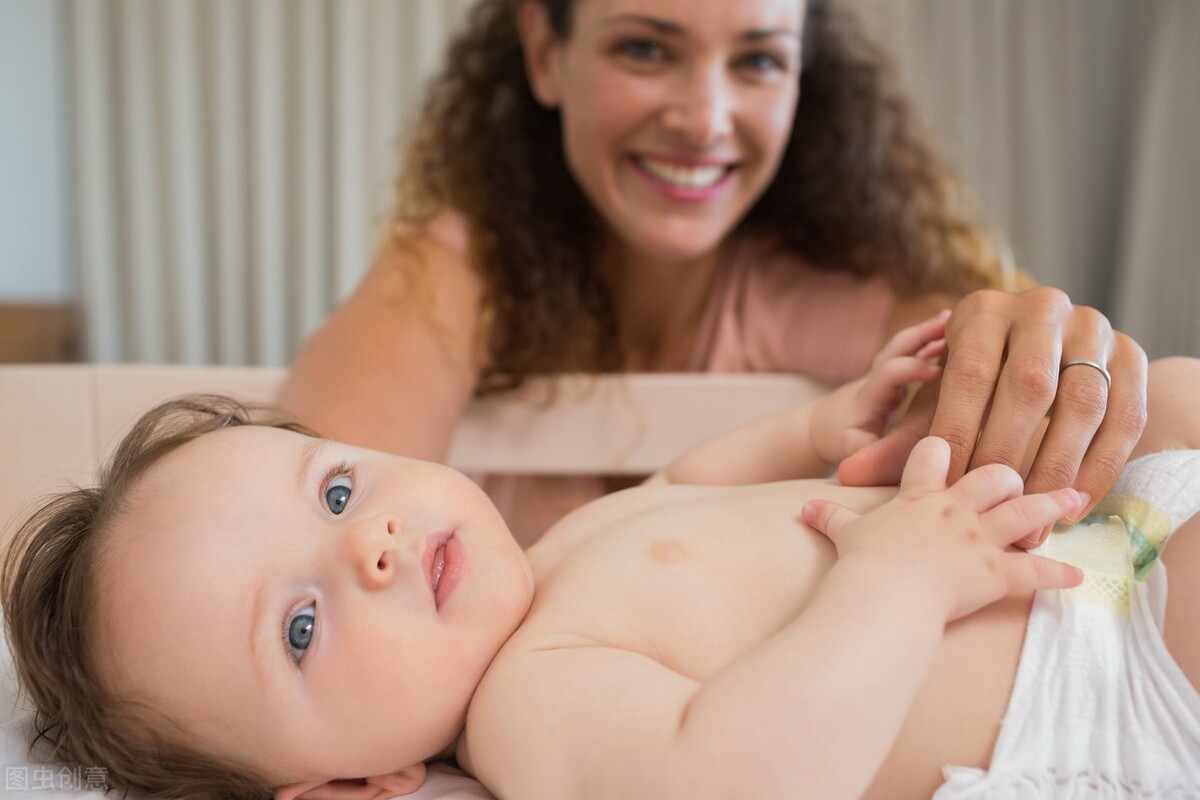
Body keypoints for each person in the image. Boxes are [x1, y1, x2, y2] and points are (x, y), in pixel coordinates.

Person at [5, 316, 1197, 800]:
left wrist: (822, 427)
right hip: (1092, 664)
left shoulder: (551, 555)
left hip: (1088, 537)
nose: (368, 543)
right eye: (300, 627)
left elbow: (689, 482)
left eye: (335, 489)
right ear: (349, 789)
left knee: (1176, 396)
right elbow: (736, 777)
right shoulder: (528, 706)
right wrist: (897, 581)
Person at [280, 0, 1148, 546]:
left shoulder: (840, 281)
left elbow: (968, 349)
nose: (704, 120)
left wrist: (1021, 344)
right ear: (546, 52)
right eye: (646, 51)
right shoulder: (456, 269)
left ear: (804, 75)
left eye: (758, 60)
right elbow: (302, 527)